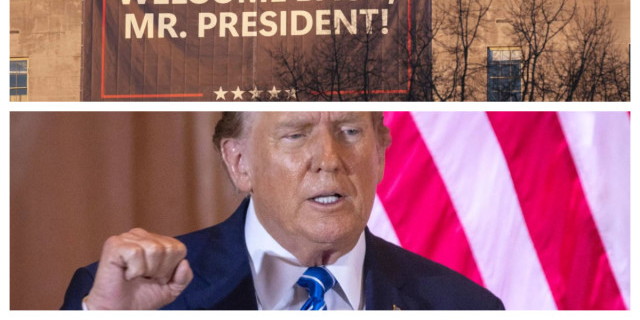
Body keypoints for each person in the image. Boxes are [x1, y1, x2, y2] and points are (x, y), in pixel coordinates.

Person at [61, 112, 504, 310]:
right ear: (240, 163)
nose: (329, 158)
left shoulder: (464, 306)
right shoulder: (134, 302)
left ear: (381, 156)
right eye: (295, 135)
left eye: (350, 130)